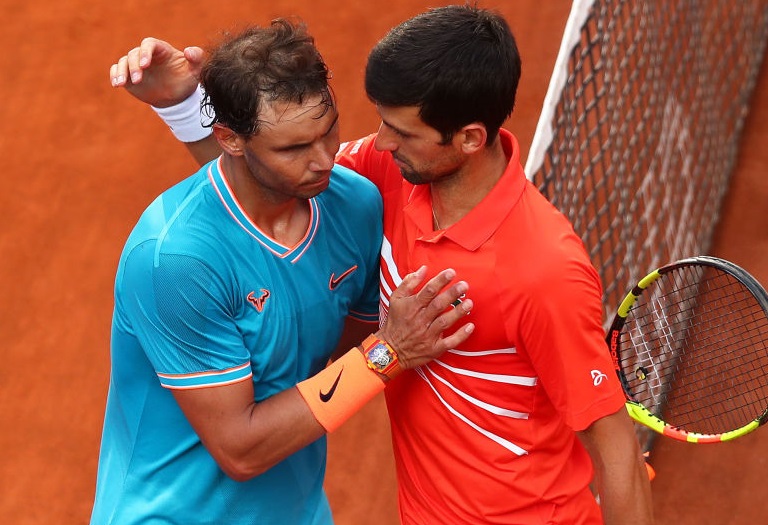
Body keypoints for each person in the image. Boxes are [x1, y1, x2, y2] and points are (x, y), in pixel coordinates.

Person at [108, 5, 655, 524]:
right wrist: (188, 107)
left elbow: (618, 455)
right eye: (380, 123)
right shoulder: (384, 176)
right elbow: (258, 185)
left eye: (401, 132)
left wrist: (382, 350)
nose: (374, 144)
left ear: (468, 139)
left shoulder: (543, 270)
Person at [92, 19, 475, 525]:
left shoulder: (354, 205)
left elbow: (332, 360)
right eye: (293, 148)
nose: (323, 161)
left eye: (328, 131)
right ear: (229, 139)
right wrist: (392, 350)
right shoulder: (174, 260)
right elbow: (242, 451)